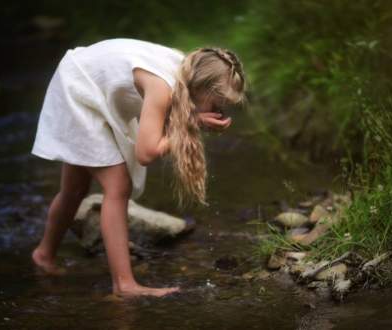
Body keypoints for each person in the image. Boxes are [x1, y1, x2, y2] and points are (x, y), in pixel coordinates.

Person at [30, 38, 247, 298]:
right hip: (78, 86)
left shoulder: (188, 70)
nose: (219, 111)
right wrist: (194, 123)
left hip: (86, 77)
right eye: (217, 103)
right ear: (201, 87)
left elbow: (169, 121)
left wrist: (194, 117)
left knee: (75, 189)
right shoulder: (162, 87)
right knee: (118, 186)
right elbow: (146, 152)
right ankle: (124, 285)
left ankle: (44, 254)